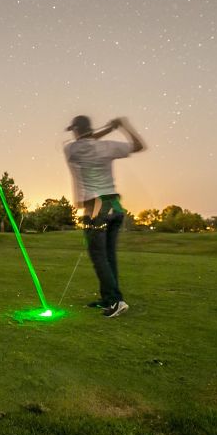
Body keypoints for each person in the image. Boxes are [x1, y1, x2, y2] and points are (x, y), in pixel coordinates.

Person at [64, 115, 145, 318]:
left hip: (95, 208)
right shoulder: (107, 147)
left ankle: (116, 301)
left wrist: (108, 129)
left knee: (99, 257)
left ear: (75, 130)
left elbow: (86, 141)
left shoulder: (72, 149)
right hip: (114, 207)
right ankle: (108, 299)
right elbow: (138, 146)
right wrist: (122, 126)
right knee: (108, 256)